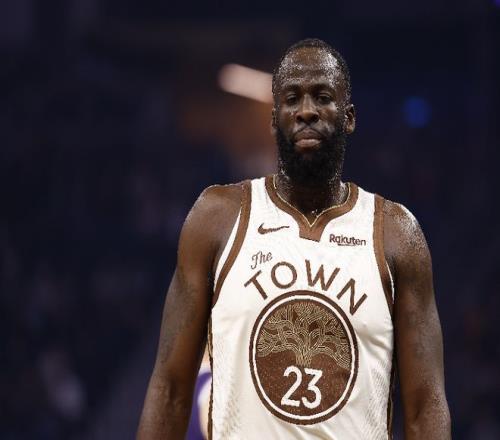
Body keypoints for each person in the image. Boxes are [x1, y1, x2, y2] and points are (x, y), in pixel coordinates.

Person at [137, 38, 451, 439]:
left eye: (322, 97)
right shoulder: (216, 218)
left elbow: (425, 406)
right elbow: (170, 390)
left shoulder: (396, 234)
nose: (306, 111)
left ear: (349, 117)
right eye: (292, 98)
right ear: (274, 119)